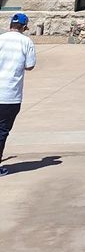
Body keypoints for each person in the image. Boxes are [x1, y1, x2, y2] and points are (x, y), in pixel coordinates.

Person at [0, 13, 36, 176]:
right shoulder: (26, 41)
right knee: (2, 131)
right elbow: (30, 65)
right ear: (23, 27)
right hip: (10, 94)